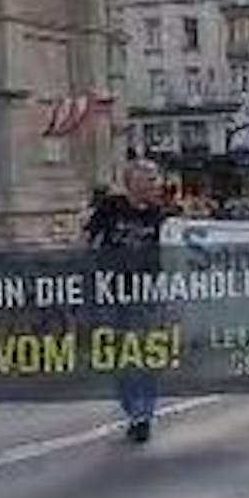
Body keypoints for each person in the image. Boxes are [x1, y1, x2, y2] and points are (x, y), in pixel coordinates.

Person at [85, 159, 167, 443]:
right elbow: (87, 239)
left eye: (156, 179)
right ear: (132, 183)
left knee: (146, 353)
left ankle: (144, 414)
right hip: (112, 292)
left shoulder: (160, 215)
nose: (156, 185)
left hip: (145, 293)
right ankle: (132, 409)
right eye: (150, 180)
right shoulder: (111, 207)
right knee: (122, 355)